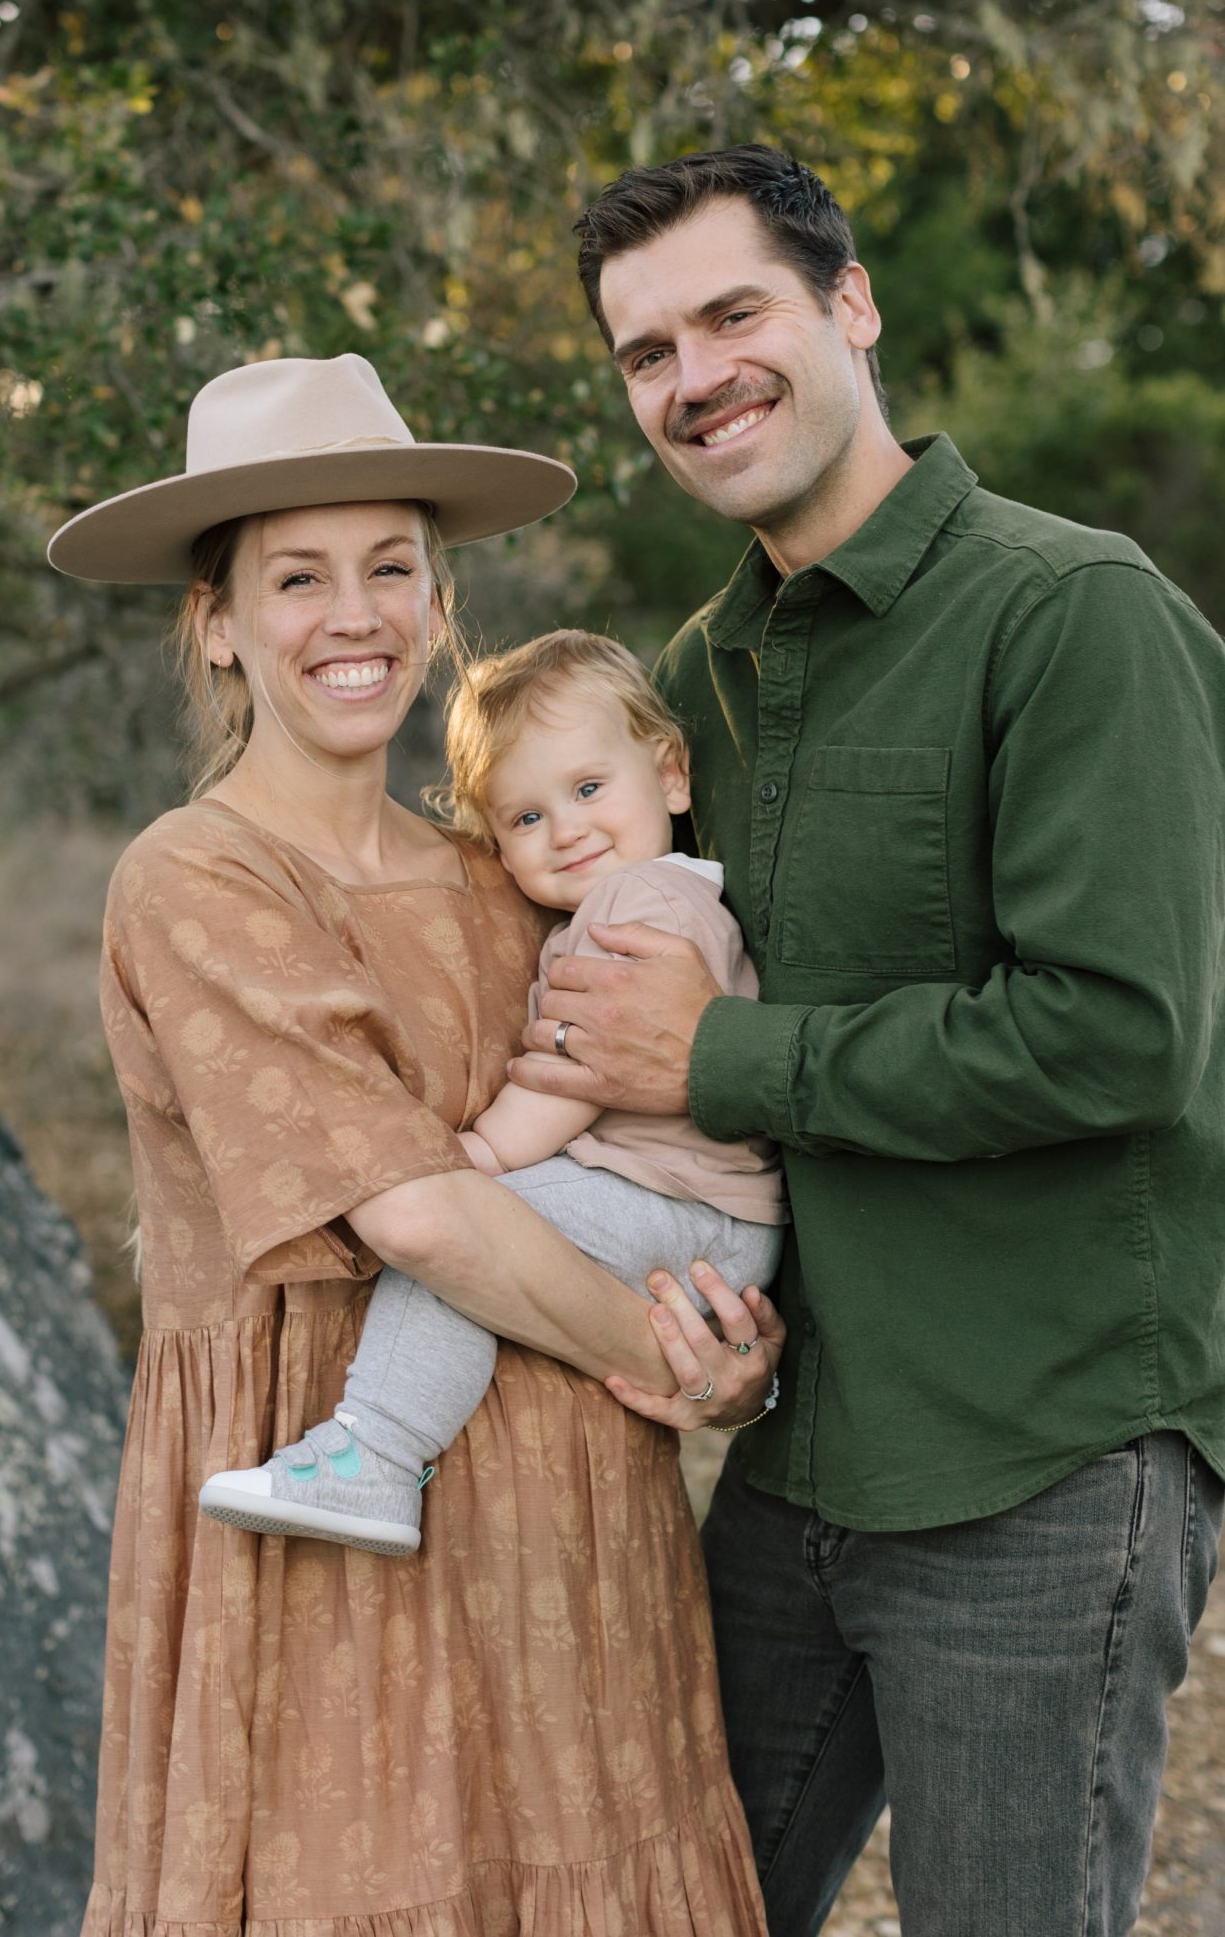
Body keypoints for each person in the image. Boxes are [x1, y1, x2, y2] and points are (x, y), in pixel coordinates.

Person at [505, 144, 1225, 1935]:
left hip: (1039, 1454)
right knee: (664, 1907)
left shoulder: (1074, 611)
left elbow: (1118, 1036)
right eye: (647, 352)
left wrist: (718, 1065)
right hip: (795, 1451)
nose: (694, 377)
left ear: (851, 306)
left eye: (733, 313)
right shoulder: (696, 681)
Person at [48, 352, 779, 1935]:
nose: (354, 614)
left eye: (391, 566)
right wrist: (680, 1364)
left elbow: (643, 1133)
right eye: (296, 577)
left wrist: (723, 1343)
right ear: (219, 622)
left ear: (441, 599)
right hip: (333, 1528)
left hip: (572, 1524)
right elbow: (422, 1222)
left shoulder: (501, 870)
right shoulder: (200, 881)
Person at [199, 628, 788, 1553]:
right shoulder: (638, 897)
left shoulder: (640, 907)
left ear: (671, 775)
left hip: (687, 1214)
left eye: (589, 789)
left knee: (468, 1240)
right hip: (688, 1215)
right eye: (524, 818)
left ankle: (376, 1459)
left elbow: (581, 1065)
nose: (567, 829)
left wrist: (484, 1156)